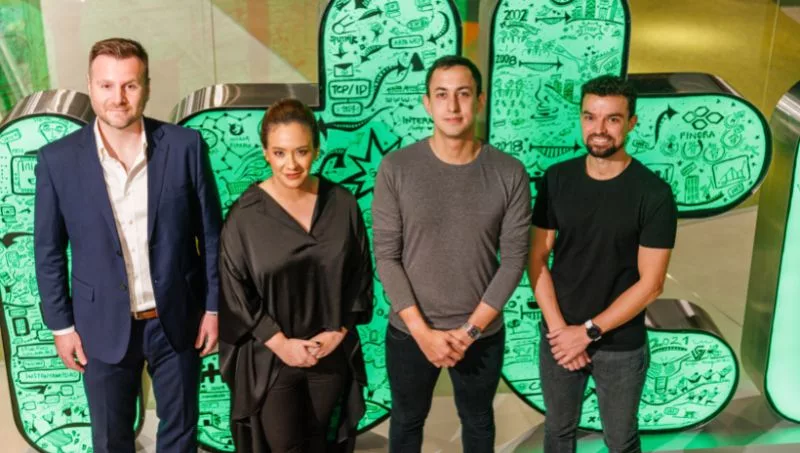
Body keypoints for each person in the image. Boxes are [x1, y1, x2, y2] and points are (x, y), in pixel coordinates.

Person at [34, 38, 221, 452]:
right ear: (90, 85)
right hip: (98, 324)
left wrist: (213, 308)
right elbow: (48, 252)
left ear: (146, 87)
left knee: (181, 434)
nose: (118, 98)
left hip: (178, 318)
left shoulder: (185, 146)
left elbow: (211, 235)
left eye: (130, 85)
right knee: (110, 439)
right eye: (106, 85)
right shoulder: (56, 161)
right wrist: (62, 327)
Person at [372, 55, 531, 453]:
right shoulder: (396, 168)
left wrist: (469, 332)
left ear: (480, 100)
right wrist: (422, 333)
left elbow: (514, 261)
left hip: (480, 333)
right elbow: (386, 257)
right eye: (442, 95)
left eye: (463, 94)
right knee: (406, 421)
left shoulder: (509, 172)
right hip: (410, 331)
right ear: (427, 103)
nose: (453, 106)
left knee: (477, 421)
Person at [529, 75, 678, 453]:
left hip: (619, 344)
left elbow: (652, 284)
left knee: (621, 440)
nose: (599, 129)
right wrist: (561, 331)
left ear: (631, 123)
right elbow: (536, 258)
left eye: (612, 119)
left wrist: (588, 332)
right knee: (557, 432)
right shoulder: (557, 179)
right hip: (559, 336)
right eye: (590, 117)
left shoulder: (654, 194)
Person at [218, 98, 373, 453]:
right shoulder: (245, 215)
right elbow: (235, 291)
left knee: (321, 443)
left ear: (316, 150)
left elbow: (360, 275)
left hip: (328, 353)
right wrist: (281, 345)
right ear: (265, 153)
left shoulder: (342, 204)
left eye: (301, 151)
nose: (291, 164)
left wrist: (338, 332)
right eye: (280, 153)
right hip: (272, 358)